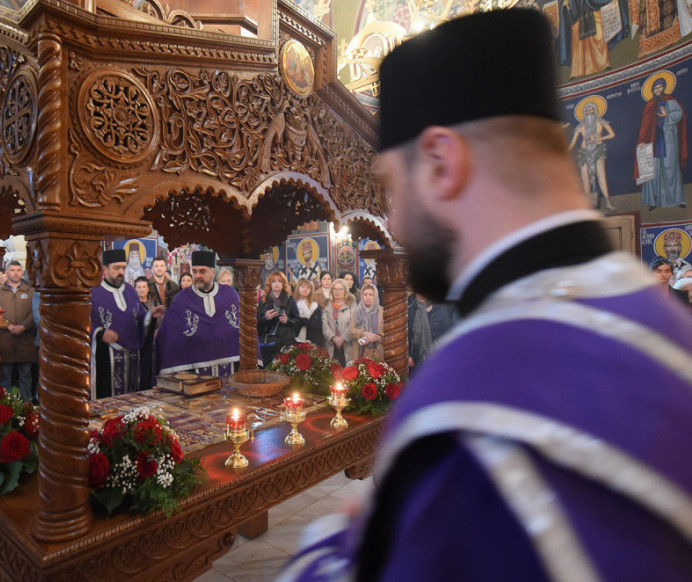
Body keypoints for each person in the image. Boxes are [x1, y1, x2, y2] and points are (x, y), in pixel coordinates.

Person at [280, 10, 692, 581]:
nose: (393, 220)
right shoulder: (662, 320)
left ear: (441, 162)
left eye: (391, 187)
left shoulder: (470, 410)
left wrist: (334, 544)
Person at [154, 251, 240, 379]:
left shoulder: (230, 295)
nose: (198, 275)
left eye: (202, 271)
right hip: (193, 373)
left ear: (213, 273)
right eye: (194, 271)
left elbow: (243, 328)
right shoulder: (182, 299)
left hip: (231, 370)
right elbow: (168, 335)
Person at [91, 251, 162, 398]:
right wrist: (100, 334)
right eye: (116, 268)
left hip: (132, 357)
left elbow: (139, 317)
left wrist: (151, 315)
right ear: (105, 269)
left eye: (123, 268)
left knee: (132, 398)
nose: (121, 272)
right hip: (107, 357)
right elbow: (85, 324)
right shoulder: (94, 293)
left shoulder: (130, 290)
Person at [635, 76, 687, 210]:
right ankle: (654, 201)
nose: (658, 90)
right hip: (653, 140)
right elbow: (644, 126)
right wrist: (642, 141)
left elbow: (679, 114)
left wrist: (667, 115)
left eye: (660, 87)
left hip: (668, 138)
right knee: (654, 170)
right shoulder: (650, 105)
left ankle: (676, 199)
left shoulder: (671, 101)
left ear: (664, 88)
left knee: (670, 168)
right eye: (655, 88)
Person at [0, 261, 35, 400]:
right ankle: (7, 405)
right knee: (5, 375)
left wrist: (24, 326)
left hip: (26, 341)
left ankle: (27, 404)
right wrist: (7, 325)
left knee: (26, 375)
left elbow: (36, 311)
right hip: (4, 340)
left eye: (18, 270)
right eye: (12, 270)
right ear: (7, 272)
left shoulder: (31, 291)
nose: (15, 273)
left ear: (22, 272)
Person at [568, 101, 617, 212]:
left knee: (601, 177)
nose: (589, 112)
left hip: (598, 150)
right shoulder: (581, 126)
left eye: (591, 110)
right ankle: (587, 206)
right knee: (585, 178)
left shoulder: (601, 123)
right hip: (584, 153)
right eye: (587, 111)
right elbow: (572, 143)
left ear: (595, 111)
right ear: (584, 113)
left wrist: (597, 139)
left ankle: (608, 202)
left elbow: (612, 134)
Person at [257, 271, 300, 366]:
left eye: (279, 281)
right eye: (274, 281)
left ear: (283, 284)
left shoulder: (290, 300)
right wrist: (266, 318)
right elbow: (257, 322)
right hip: (268, 344)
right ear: (270, 284)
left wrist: (287, 320)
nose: (276, 284)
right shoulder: (263, 300)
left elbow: (297, 321)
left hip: (286, 342)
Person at [407, 291, 458, 370]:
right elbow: (408, 335)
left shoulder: (441, 309)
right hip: (416, 358)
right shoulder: (411, 309)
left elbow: (448, 334)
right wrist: (409, 355)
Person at [321, 278, 355, 365]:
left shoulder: (351, 304)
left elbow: (353, 323)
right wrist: (333, 337)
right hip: (330, 344)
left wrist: (343, 338)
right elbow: (324, 324)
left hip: (347, 344)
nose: (337, 292)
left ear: (345, 291)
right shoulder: (326, 304)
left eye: (340, 289)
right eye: (335, 289)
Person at [350, 282, 384, 360]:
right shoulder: (357, 311)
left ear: (375, 296)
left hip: (377, 352)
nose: (368, 297)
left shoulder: (382, 312)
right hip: (359, 351)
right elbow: (352, 330)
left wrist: (375, 337)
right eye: (365, 295)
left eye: (371, 295)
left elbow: (387, 333)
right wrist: (363, 333)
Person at [293, 278, 323, 347]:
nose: (305, 289)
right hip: (296, 339)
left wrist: (303, 320)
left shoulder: (315, 306)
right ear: (298, 288)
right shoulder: (293, 304)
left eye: (308, 288)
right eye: (303, 287)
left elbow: (317, 325)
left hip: (312, 339)